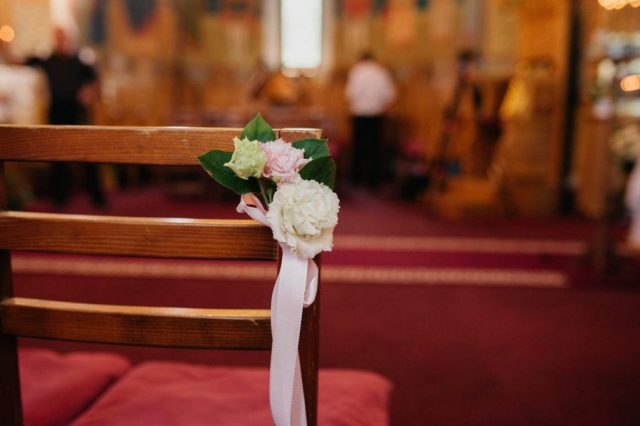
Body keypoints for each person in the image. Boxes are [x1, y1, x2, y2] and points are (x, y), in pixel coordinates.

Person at [26, 27, 106, 209]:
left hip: (78, 113)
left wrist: (89, 93)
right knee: (58, 157)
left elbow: (96, 81)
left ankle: (98, 198)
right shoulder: (49, 60)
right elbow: (21, 61)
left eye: (64, 37)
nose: (61, 40)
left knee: (88, 155)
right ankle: (60, 198)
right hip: (57, 112)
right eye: (58, 37)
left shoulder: (81, 59)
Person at [345, 51, 397, 189]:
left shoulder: (356, 71)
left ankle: (357, 178)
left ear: (361, 59)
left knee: (358, 146)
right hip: (376, 114)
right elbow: (390, 95)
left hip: (359, 114)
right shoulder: (381, 71)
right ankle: (373, 180)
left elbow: (350, 94)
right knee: (375, 147)